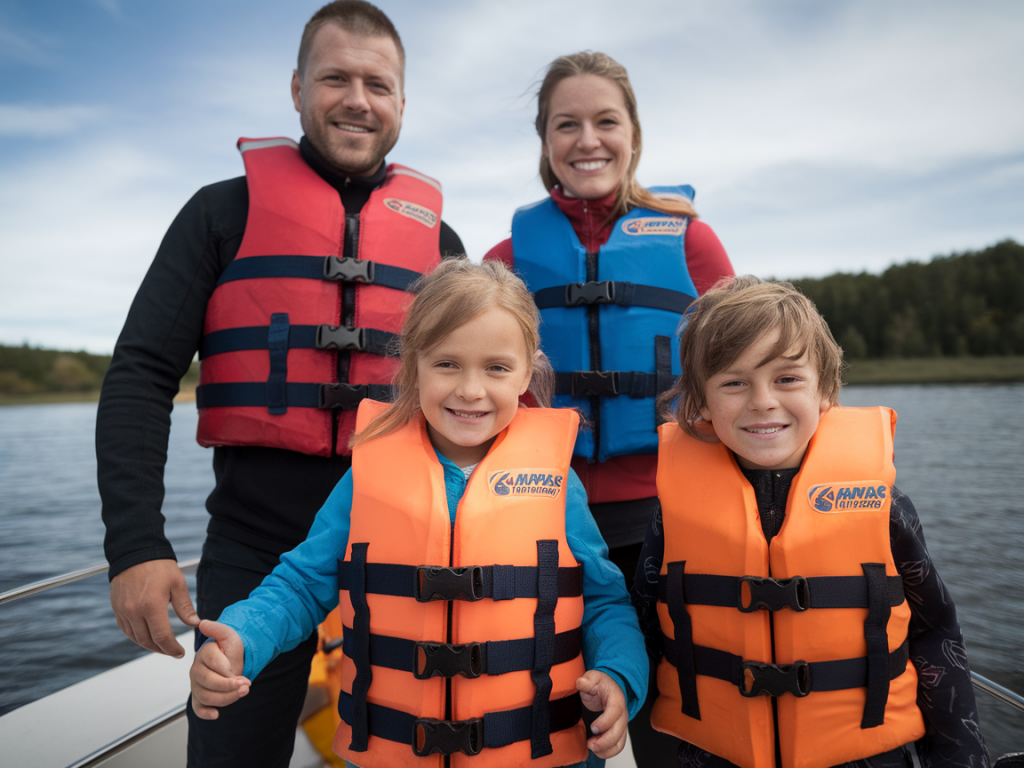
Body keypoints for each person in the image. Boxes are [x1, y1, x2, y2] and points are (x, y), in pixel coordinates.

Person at [96, 2, 464, 766]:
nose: (357, 100)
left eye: (378, 85)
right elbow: (141, 374)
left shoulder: (443, 246)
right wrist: (135, 545)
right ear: (297, 88)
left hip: (407, 546)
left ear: (402, 103)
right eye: (335, 79)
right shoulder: (218, 215)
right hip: (254, 545)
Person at [188, 259, 648, 768]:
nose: (470, 390)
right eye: (447, 364)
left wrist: (619, 675)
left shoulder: (559, 482)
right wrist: (242, 637)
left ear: (526, 371)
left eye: (496, 368)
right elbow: (300, 585)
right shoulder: (366, 477)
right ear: (413, 365)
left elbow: (603, 601)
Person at [485, 50, 733, 765]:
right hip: (544, 522)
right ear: (544, 141)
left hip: (669, 521)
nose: (587, 140)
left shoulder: (692, 242)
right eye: (566, 124)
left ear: (633, 134)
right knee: (567, 727)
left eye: (606, 121)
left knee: (669, 733)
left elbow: (749, 370)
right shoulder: (505, 256)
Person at [632, 275, 989, 768]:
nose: (762, 401)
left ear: (825, 389)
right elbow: (647, 628)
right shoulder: (672, 513)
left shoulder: (885, 505)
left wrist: (959, 756)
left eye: (787, 379)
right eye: (734, 383)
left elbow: (936, 630)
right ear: (701, 403)